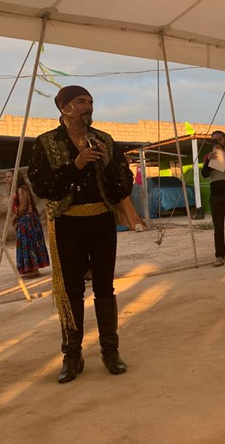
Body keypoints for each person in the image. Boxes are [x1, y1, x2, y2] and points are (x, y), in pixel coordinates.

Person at [28, 85, 133, 384]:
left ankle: (110, 352)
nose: (88, 107)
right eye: (80, 102)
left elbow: (123, 186)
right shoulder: (46, 142)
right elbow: (42, 187)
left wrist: (106, 164)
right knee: (71, 292)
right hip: (66, 224)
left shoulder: (105, 141)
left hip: (101, 221)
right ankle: (72, 356)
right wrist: (75, 165)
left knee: (105, 287)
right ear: (63, 107)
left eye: (90, 102)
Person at [201, 130, 225, 267]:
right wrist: (209, 160)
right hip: (216, 195)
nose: (217, 142)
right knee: (218, 228)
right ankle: (219, 256)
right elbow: (204, 174)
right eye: (214, 140)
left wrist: (223, 155)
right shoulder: (208, 156)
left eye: (219, 139)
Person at [6, 170, 49, 279]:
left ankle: (34, 269)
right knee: (26, 244)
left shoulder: (22, 189)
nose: (6, 179)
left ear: (16, 177)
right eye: (6, 177)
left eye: (9, 177)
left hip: (28, 220)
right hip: (24, 220)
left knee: (29, 244)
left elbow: (23, 207)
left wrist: (13, 218)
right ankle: (29, 268)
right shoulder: (15, 190)